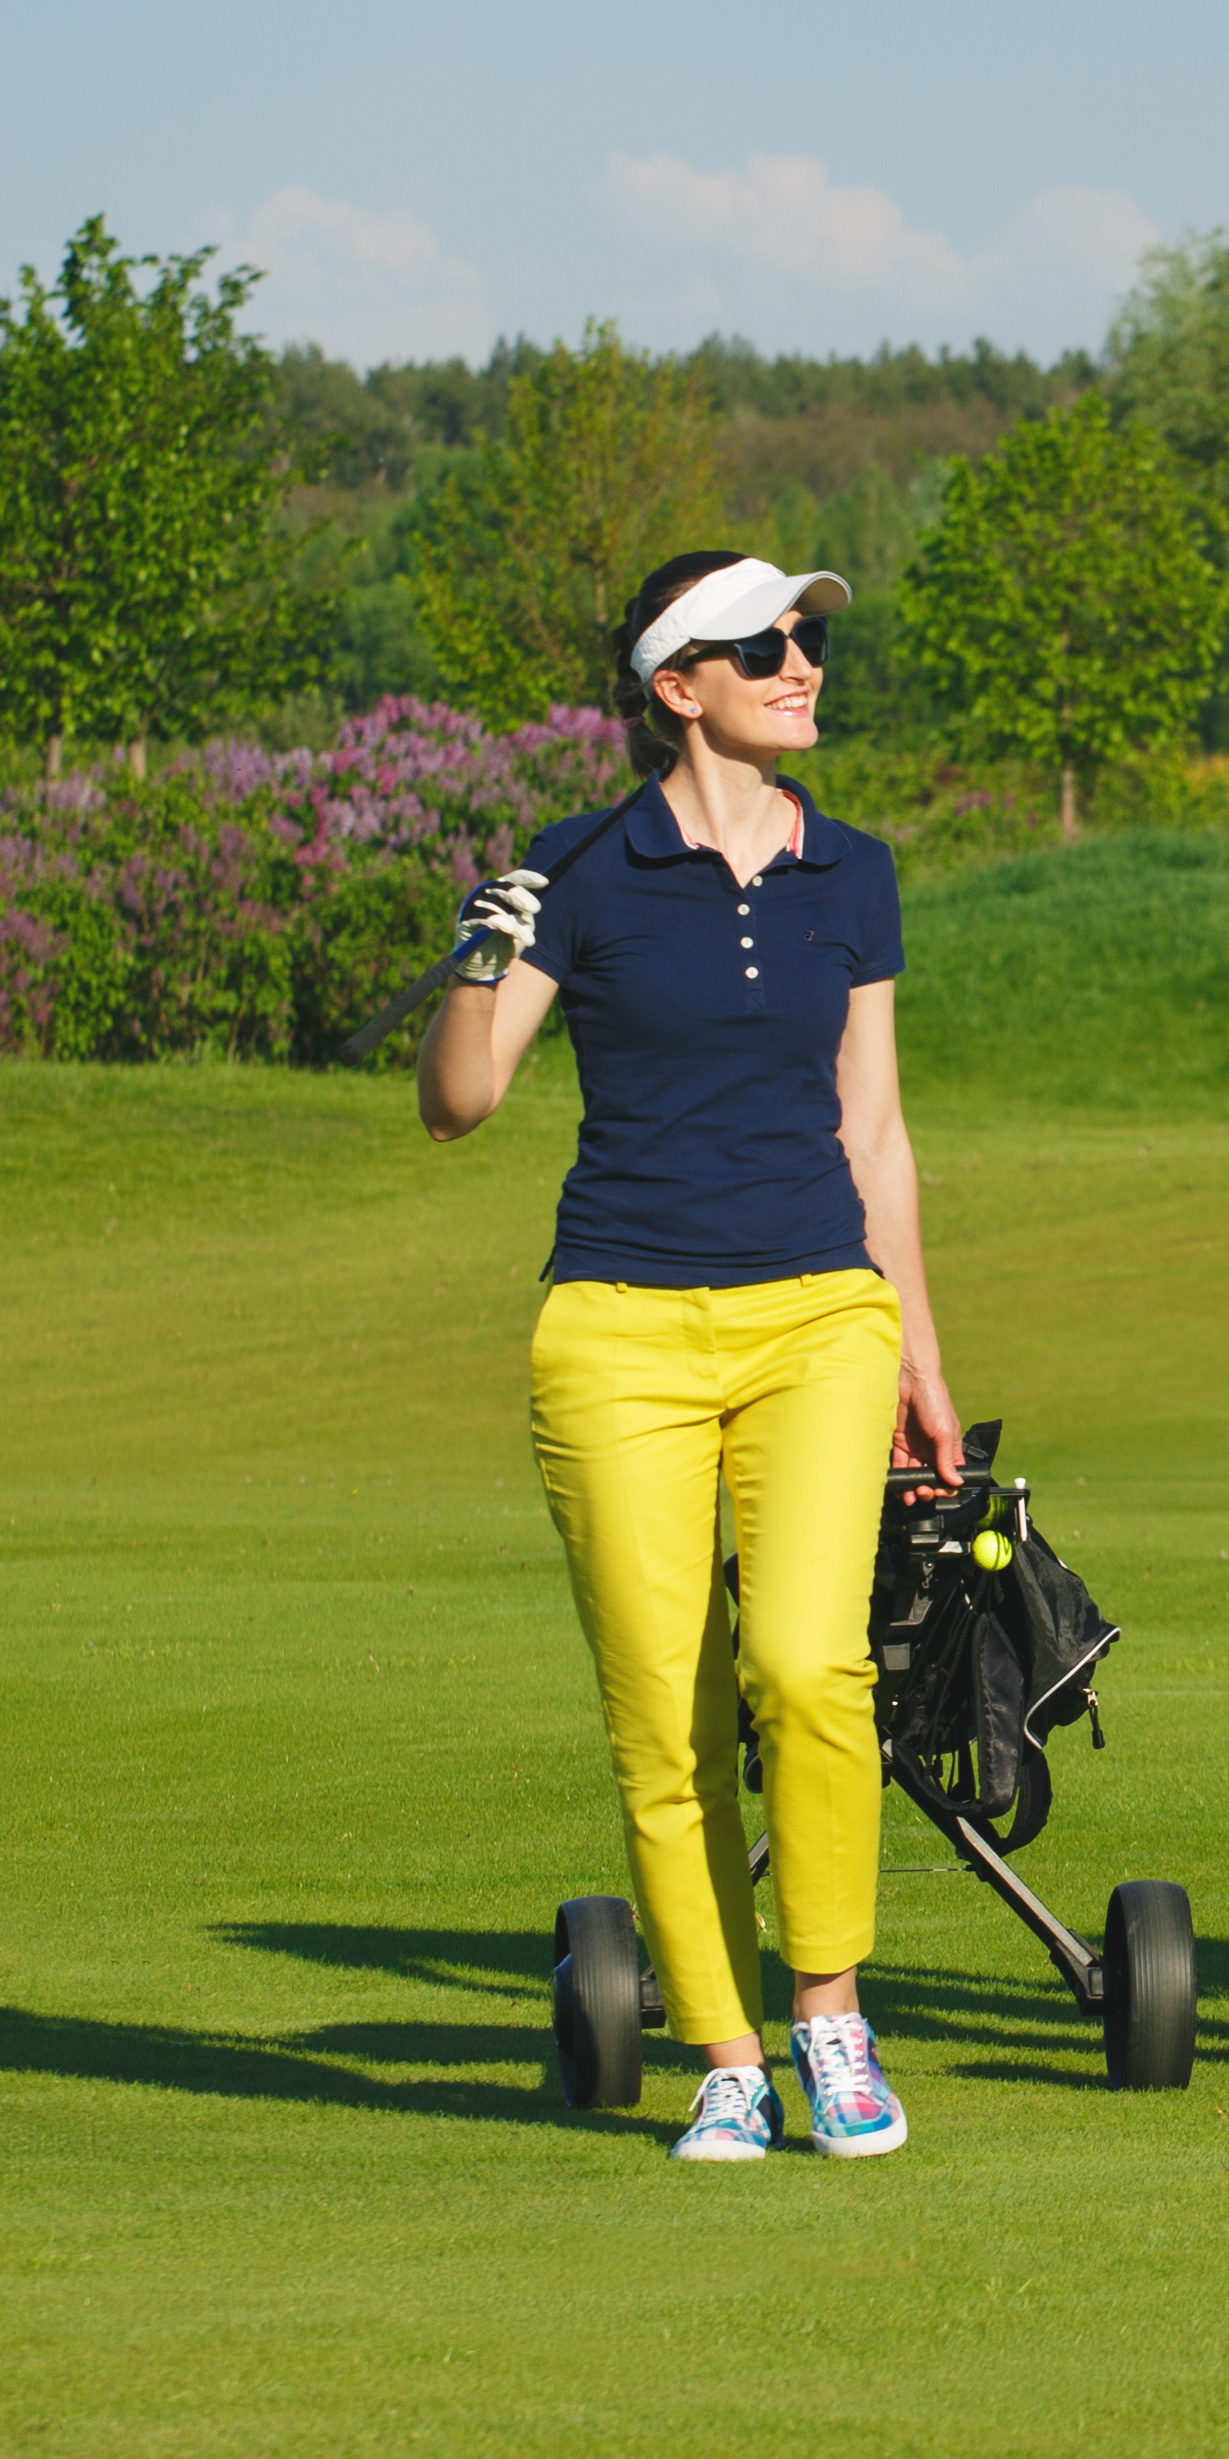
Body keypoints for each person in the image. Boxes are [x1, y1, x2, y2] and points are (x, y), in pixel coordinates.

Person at [418, 546, 962, 2167]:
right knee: (664, 1710)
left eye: (808, 637)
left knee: (807, 1667)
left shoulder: (851, 872)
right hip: (619, 1331)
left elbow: (876, 1126)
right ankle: (725, 2053)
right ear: (678, 689)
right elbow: (459, 1103)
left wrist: (921, 1346)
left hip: (818, 1314)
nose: (804, 662)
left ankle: (830, 2017)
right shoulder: (574, 873)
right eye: (766, 644)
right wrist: (482, 948)